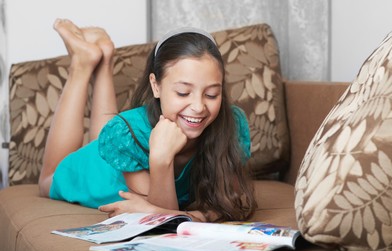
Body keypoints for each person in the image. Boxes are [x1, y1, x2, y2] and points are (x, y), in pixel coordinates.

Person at [38, 18, 257, 222]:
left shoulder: (232, 125)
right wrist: (161, 158)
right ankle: (81, 64)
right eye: (182, 92)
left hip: (121, 149)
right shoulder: (125, 133)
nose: (199, 107)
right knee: (47, 180)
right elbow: (163, 220)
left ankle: (104, 57)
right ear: (156, 85)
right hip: (98, 172)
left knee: (109, 133)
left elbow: (231, 204)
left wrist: (180, 214)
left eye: (211, 94)